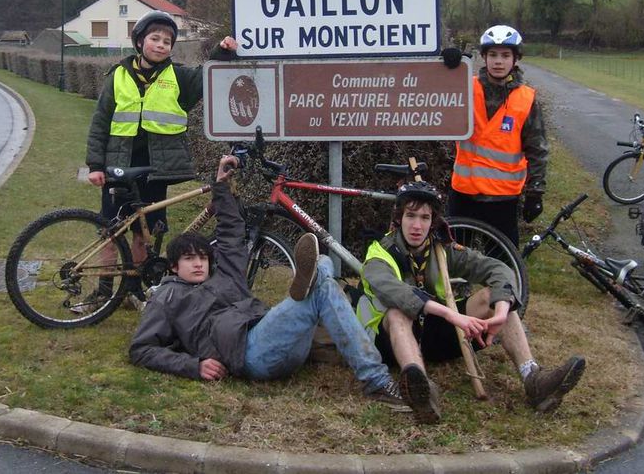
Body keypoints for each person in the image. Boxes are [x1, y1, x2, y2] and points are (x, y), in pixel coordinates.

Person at [129, 155, 432, 417]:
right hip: (248, 353)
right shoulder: (167, 296)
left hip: (275, 338)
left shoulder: (226, 275)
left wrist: (221, 185)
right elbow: (141, 349)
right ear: (173, 267)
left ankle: (312, 278)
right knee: (323, 280)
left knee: (324, 269)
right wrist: (193, 366)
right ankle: (378, 382)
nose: (198, 264)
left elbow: (231, 232)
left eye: (202, 258)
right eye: (188, 260)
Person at [357, 181, 586, 423]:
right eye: (410, 216)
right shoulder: (379, 253)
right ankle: (421, 391)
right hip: (392, 343)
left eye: (425, 218)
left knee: (493, 297)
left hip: (437, 334)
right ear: (398, 219)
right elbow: (398, 294)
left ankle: (533, 379)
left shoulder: (441, 247)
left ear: (432, 221)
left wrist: (501, 311)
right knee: (396, 313)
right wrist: (452, 315)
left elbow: (496, 268)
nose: (417, 226)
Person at [84, 10, 237, 309]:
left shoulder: (178, 76)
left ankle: (135, 290)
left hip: (155, 169)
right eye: (155, 39)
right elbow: (100, 122)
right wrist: (95, 165)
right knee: (109, 230)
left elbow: (206, 75)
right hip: (119, 165)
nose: (161, 45)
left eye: (167, 41)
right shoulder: (117, 75)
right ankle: (103, 290)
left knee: (145, 231)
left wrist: (222, 51)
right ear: (140, 42)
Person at [445, 25, 548, 247]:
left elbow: (537, 149)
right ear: (483, 57)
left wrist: (535, 192)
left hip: (502, 199)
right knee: (454, 258)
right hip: (464, 194)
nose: (498, 61)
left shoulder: (526, 99)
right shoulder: (465, 86)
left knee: (502, 263)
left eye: (505, 55)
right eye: (492, 55)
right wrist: (447, 67)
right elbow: (431, 93)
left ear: (515, 59)